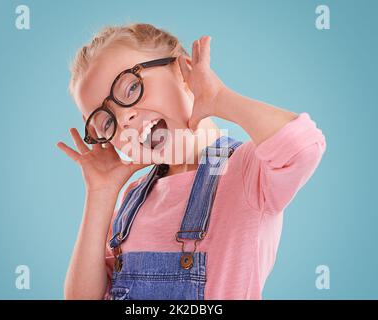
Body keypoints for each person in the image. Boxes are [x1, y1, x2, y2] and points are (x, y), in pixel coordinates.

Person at [56, 23, 327, 300]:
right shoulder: (133, 198)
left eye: (132, 88)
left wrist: (220, 99)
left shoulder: (245, 171)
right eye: (106, 121)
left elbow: (302, 146)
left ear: (184, 73)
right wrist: (101, 193)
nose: (123, 119)